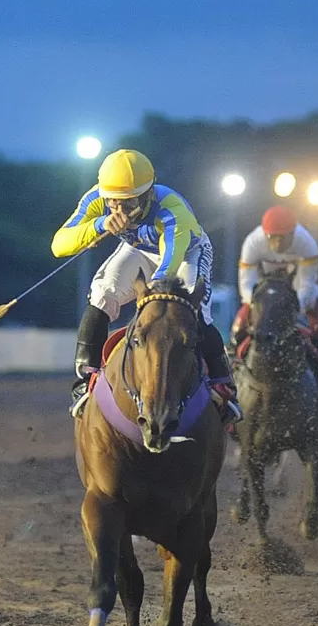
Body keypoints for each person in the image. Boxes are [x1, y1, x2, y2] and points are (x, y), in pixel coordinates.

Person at [51, 148, 241, 421]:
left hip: (185, 253)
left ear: (148, 193)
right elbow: (59, 246)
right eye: (113, 203)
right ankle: (86, 379)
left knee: (195, 312)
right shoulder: (96, 199)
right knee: (102, 295)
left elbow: (167, 269)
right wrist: (100, 224)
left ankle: (224, 385)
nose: (120, 211)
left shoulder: (171, 210)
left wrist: (150, 299)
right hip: (138, 250)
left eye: (128, 204)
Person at [231, 205, 318, 356]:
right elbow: (246, 282)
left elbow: (307, 284)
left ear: (293, 233)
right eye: (272, 237)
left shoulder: (307, 243)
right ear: (264, 234)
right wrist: (255, 303)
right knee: (240, 325)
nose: (277, 244)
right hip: (264, 287)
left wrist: (296, 306)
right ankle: (233, 353)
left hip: (295, 285)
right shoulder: (252, 242)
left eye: (282, 238)